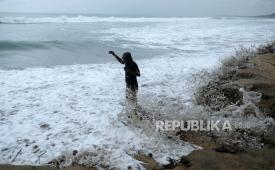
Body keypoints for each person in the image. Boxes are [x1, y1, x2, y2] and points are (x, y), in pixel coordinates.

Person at [109, 51, 140, 119]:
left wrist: (129, 71)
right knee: (128, 99)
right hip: (128, 85)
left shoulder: (133, 64)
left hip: (133, 86)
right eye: (123, 59)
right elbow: (121, 61)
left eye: (124, 59)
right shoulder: (127, 63)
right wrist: (114, 54)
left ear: (128, 59)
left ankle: (135, 114)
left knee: (133, 100)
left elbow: (138, 74)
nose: (123, 60)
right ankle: (131, 113)